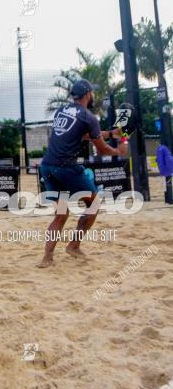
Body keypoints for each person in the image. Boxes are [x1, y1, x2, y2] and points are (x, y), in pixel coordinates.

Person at [38, 79, 128, 268]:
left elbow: (84, 135)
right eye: (92, 93)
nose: (93, 95)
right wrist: (117, 152)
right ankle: (73, 245)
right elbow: (102, 149)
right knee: (94, 203)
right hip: (65, 167)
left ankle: (47, 258)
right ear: (87, 94)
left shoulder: (61, 111)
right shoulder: (88, 117)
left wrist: (112, 134)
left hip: (47, 166)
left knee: (61, 214)